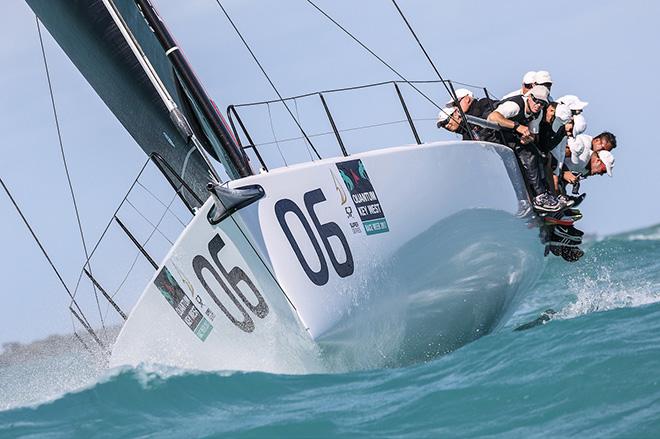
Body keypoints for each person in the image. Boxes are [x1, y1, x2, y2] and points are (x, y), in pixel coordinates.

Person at [487, 85, 570, 212]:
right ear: (529, 97)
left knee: (538, 154)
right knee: (527, 154)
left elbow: (533, 135)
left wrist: (527, 138)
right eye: (536, 101)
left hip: (508, 136)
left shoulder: (537, 113)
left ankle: (543, 195)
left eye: (542, 104)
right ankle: (536, 198)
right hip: (489, 135)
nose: (538, 105)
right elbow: (492, 117)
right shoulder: (514, 106)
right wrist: (516, 126)